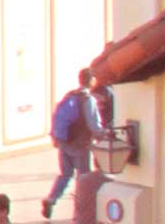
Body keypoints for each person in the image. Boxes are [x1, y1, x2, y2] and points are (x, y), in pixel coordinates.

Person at [42, 68, 103, 220]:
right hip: (81, 146)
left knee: (65, 174)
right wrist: (103, 135)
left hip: (65, 144)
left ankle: (51, 199)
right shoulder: (88, 100)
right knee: (83, 179)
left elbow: (58, 118)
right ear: (91, 80)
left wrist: (55, 137)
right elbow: (93, 125)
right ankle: (80, 213)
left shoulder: (70, 96)